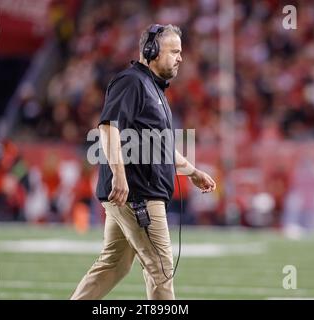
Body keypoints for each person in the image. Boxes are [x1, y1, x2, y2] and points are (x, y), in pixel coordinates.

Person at [70, 24, 216, 300]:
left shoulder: (151, 88)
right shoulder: (133, 82)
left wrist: (192, 171)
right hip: (138, 195)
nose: (180, 58)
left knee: (113, 266)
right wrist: (119, 175)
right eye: (174, 51)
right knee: (161, 270)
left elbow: (158, 146)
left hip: (133, 194)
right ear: (151, 51)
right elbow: (108, 127)